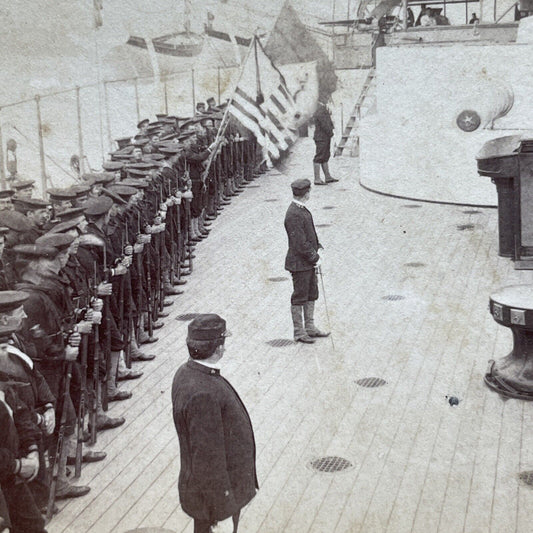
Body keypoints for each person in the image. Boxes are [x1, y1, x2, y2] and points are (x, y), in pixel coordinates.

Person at [171, 314, 258, 533]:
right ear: (219, 348)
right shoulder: (204, 393)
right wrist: (223, 507)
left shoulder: (186, 372)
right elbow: (208, 458)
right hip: (216, 500)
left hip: (204, 493)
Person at [284, 179, 330, 343]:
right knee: (300, 296)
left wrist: (318, 247)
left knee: (312, 293)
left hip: (307, 262)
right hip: (299, 264)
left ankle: (309, 327)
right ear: (306, 193)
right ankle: (299, 331)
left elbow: (309, 235)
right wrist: (314, 257)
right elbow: (300, 243)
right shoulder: (294, 214)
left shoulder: (300, 209)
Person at [312, 98, 338, 185]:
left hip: (324, 137)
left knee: (325, 156)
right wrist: (331, 133)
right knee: (319, 157)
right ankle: (317, 179)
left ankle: (327, 177)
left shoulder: (322, 109)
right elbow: (325, 124)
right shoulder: (321, 110)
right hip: (321, 137)